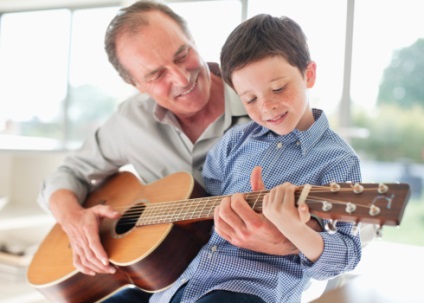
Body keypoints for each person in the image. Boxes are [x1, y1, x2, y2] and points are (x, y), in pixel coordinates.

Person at [37, 1, 321, 302]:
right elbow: (67, 174)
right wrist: (74, 219)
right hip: (164, 279)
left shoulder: (269, 100)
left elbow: (343, 223)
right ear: (134, 84)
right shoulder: (130, 122)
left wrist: (292, 240)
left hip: (249, 282)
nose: (182, 78)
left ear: (194, 41)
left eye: (182, 54)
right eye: (157, 74)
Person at [149, 14, 363, 303]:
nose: (267, 107)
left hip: (250, 290)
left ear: (308, 74)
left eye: (278, 88)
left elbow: (347, 254)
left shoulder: (338, 161)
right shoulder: (236, 141)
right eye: (250, 99)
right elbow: (204, 206)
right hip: (180, 282)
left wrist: (295, 230)